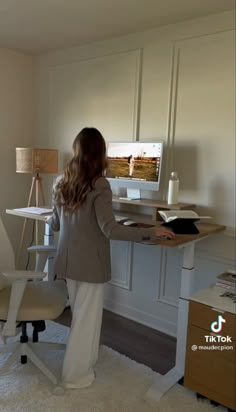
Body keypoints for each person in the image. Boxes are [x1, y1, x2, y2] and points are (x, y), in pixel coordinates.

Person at [46, 127, 175, 389]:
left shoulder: (61, 182)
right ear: (100, 153)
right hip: (91, 265)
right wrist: (151, 232)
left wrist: (56, 213)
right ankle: (75, 376)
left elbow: (56, 224)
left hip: (68, 262)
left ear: (77, 151)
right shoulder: (100, 185)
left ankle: (85, 361)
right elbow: (110, 229)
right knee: (86, 319)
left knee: (81, 316)